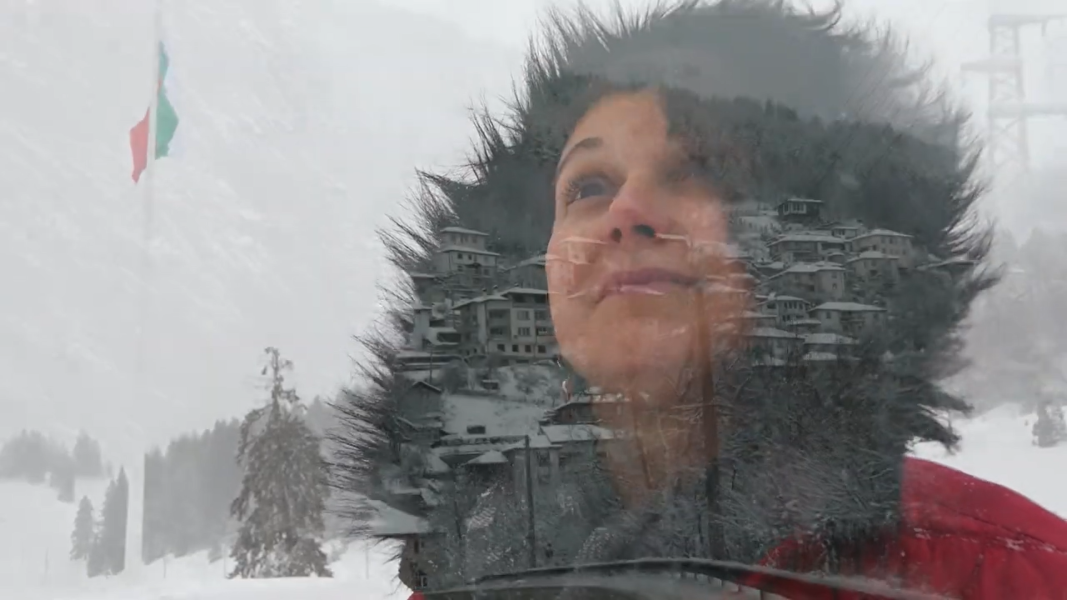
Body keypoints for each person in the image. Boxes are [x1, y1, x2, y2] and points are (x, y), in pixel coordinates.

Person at [336, 1, 1067, 598]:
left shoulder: (1006, 573)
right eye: (588, 186)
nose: (627, 210)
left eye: (699, 170)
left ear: (816, 236)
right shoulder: (466, 578)